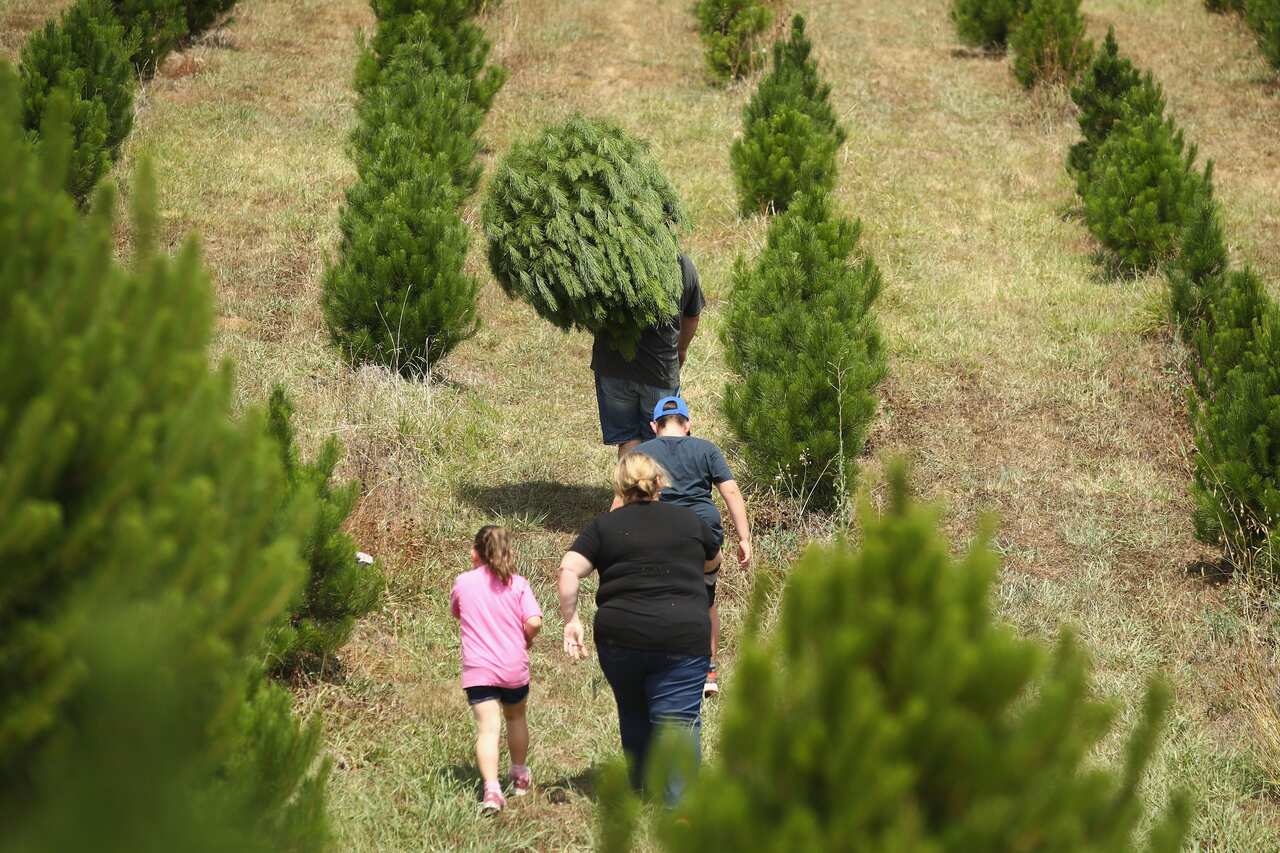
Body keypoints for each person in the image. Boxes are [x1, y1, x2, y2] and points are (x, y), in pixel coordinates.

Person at [559, 452, 721, 803]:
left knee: (633, 711)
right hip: (682, 636)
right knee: (677, 723)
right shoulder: (690, 521)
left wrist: (571, 620)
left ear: (620, 487)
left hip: (621, 639)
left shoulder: (604, 527)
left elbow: (569, 569)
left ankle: (642, 788)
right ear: (659, 483)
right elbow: (713, 560)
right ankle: (678, 808)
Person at [628, 396, 751, 698]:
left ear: (654, 425)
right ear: (688, 425)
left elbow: (622, 502)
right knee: (705, 600)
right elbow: (731, 491)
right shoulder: (706, 449)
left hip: (658, 535)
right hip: (702, 535)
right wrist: (744, 538)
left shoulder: (641, 453)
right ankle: (708, 670)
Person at [450, 525, 543, 814]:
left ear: (476, 552)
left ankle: (491, 790)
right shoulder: (518, 584)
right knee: (516, 718)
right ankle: (519, 775)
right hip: (513, 667)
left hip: (479, 669)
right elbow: (535, 620)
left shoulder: (464, 582)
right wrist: (526, 637)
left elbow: (457, 611)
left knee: (487, 730)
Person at [592, 253, 704, 458]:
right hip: (659, 371)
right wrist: (681, 350)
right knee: (663, 441)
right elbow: (692, 315)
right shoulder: (680, 263)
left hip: (612, 367)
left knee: (629, 439)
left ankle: (631, 489)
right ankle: (659, 490)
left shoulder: (608, 255)